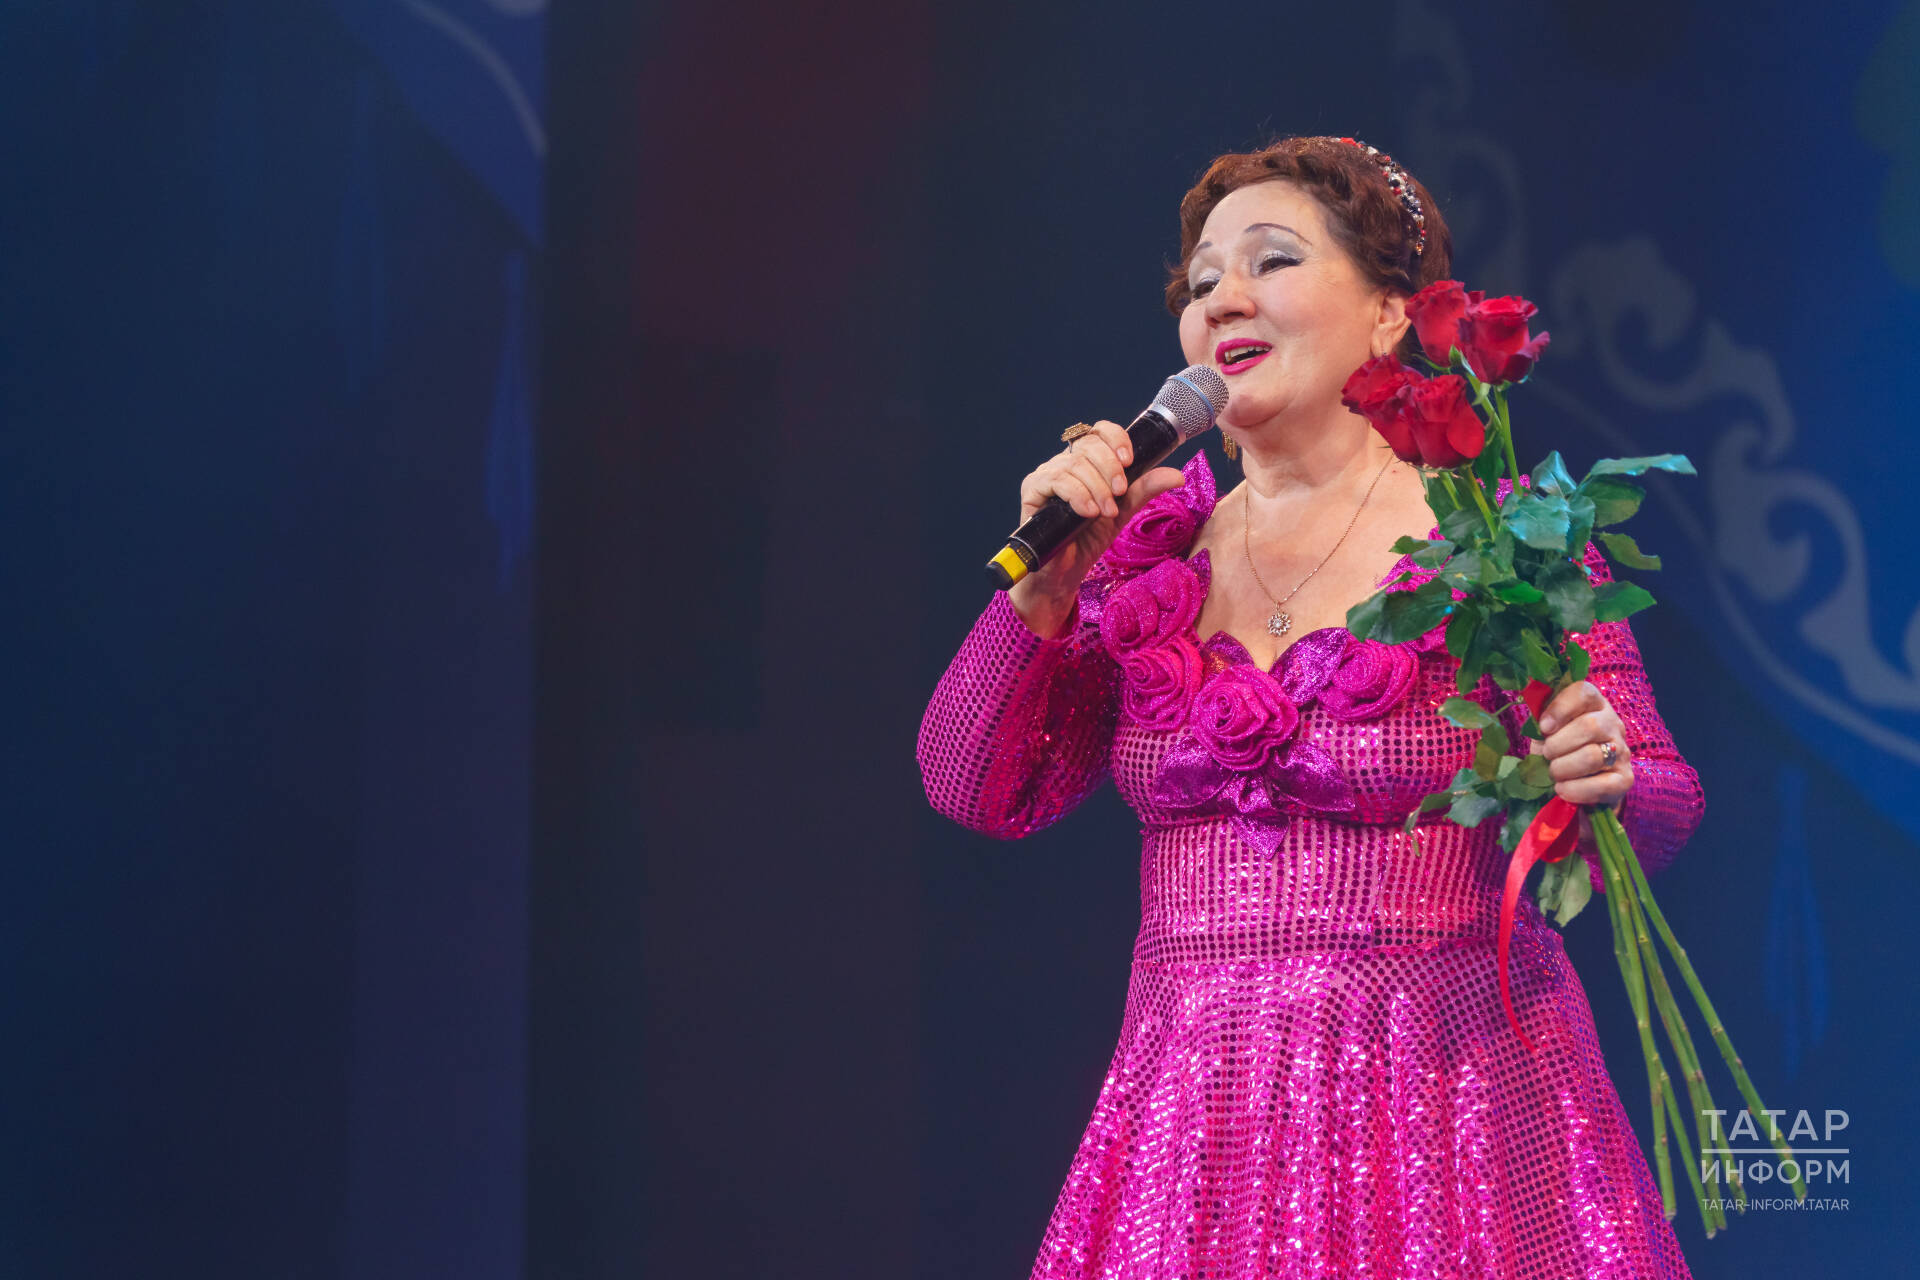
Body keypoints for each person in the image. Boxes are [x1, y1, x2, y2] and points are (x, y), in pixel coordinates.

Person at [917, 136, 1702, 1279]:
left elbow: (1661, 803)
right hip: (1195, 1130)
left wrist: (1608, 776)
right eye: (1201, 283)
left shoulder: (1497, 542)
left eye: (1272, 261)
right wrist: (1042, 594)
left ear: (1390, 314)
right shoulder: (1143, 555)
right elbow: (978, 789)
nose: (1223, 298)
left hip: (1450, 1118)